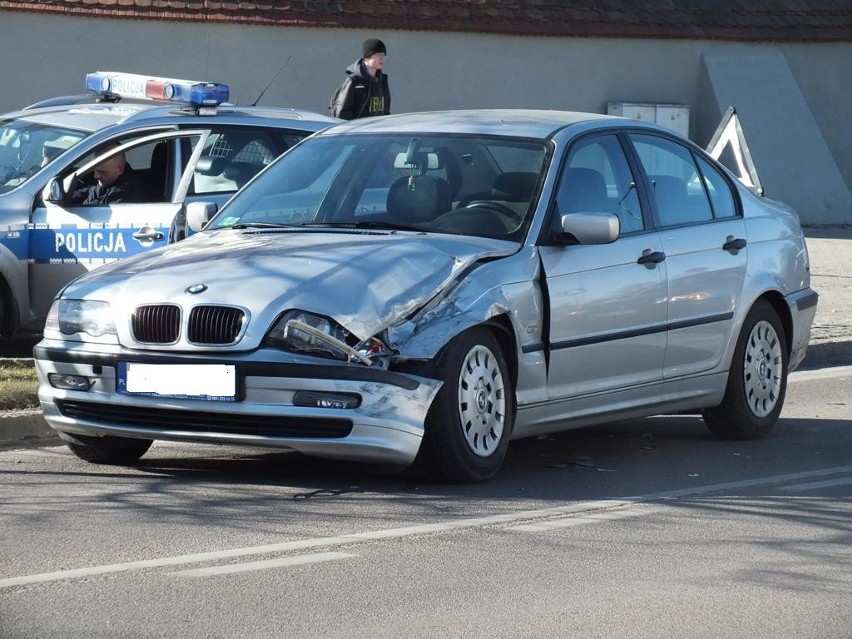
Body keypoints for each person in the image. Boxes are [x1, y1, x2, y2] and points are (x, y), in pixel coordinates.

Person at [328, 38, 391, 120]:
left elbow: (385, 111)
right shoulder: (354, 81)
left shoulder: (383, 81)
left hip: (377, 130)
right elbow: (342, 112)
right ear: (367, 57)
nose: (382, 58)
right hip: (358, 131)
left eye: (383, 55)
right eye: (378, 54)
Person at [71, 144, 146, 205]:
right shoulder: (108, 180)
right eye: (94, 170)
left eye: (102, 172)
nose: (96, 176)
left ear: (119, 169)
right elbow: (88, 192)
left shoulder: (127, 193)